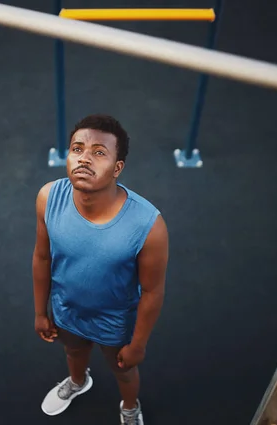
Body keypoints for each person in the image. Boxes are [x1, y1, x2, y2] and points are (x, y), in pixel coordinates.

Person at [32, 114, 169, 424]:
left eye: (99, 152)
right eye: (77, 149)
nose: (84, 159)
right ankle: (79, 383)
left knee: (124, 371)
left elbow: (152, 291)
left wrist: (138, 344)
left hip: (114, 320)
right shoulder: (48, 198)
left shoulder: (149, 225)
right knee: (73, 354)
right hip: (66, 309)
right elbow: (41, 257)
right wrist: (41, 312)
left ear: (117, 168)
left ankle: (130, 407)